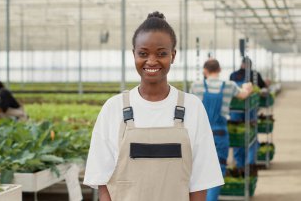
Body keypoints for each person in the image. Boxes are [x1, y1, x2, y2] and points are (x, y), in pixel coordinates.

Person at [84, 11, 224, 201]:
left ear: (173, 56)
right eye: (143, 53)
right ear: (134, 54)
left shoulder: (192, 108)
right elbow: (102, 180)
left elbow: (200, 180)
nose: (151, 61)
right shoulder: (114, 108)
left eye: (161, 53)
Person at [190, 59, 253, 201]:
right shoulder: (229, 86)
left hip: (199, 134)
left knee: (198, 170)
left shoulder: (196, 86)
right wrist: (248, 87)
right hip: (220, 134)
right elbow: (244, 94)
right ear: (219, 70)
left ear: (205, 71)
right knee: (217, 171)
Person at [230, 58, 268, 169]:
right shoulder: (255, 74)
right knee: (251, 135)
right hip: (250, 109)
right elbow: (263, 88)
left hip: (235, 109)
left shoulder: (233, 75)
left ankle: (240, 165)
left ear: (241, 64)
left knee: (238, 136)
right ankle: (250, 164)